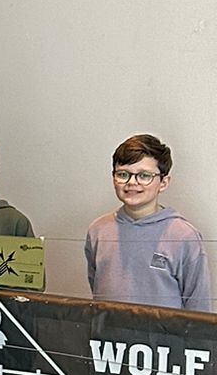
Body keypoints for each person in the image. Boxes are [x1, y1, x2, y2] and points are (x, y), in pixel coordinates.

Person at [84, 133, 210, 313]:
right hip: (109, 338)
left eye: (144, 175)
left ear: (163, 182)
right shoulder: (98, 230)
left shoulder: (184, 236)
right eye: (123, 174)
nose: (132, 183)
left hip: (164, 340)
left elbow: (199, 307)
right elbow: (96, 286)